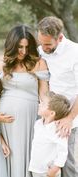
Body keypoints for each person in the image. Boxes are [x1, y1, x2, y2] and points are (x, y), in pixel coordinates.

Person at [0, 25, 49, 177]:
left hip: (30, 118)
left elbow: (44, 95)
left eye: (27, 47)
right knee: (10, 154)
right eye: (20, 47)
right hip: (5, 121)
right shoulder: (3, 63)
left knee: (28, 154)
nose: (24, 51)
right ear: (12, 45)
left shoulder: (39, 63)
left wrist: (48, 117)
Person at [37, 16, 78, 176]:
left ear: (60, 38)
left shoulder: (75, 52)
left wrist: (69, 118)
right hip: (47, 115)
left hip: (69, 117)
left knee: (66, 163)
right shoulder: (41, 51)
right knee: (44, 160)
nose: (43, 48)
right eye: (41, 42)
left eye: (48, 44)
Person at [29, 91, 70, 177]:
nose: (39, 105)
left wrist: (55, 168)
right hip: (36, 168)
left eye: (43, 104)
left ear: (52, 113)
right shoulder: (38, 124)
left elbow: (63, 152)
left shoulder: (58, 129)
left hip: (49, 171)